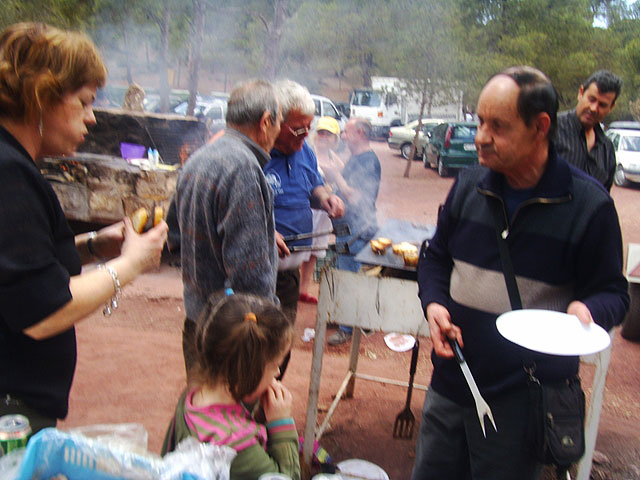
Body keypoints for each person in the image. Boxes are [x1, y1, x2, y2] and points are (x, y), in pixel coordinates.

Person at [411, 66, 629, 480]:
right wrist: (434, 304)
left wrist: (590, 307)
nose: (480, 136)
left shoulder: (588, 206)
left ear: (540, 126)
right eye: (479, 122)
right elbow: (436, 257)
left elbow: (615, 294)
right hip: (452, 381)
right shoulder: (468, 186)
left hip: (524, 396)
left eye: (498, 126)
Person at [0, 22, 168, 433]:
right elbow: (42, 311)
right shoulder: (9, 173)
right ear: (42, 97)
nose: (92, 118)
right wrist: (132, 264)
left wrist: (95, 245)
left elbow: (20, 271)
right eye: (84, 102)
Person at [173, 79, 282, 381]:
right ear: (265, 121)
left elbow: (174, 232)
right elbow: (251, 278)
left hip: (197, 322)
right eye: (278, 124)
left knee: (200, 417)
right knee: (234, 424)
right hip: (231, 336)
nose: (277, 133)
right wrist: (270, 335)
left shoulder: (199, 158)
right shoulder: (244, 169)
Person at [161, 291, 300, 480]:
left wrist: (260, 415)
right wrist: (280, 424)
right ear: (249, 372)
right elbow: (286, 477)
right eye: (275, 365)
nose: (277, 374)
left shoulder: (191, 397)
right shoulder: (237, 444)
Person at [264, 80, 344, 326]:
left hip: (289, 274)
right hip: (259, 275)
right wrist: (264, 232)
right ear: (275, 122)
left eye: (309, 127)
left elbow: (313, 185)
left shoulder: (304, 152)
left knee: (281, 345)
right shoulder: (258, 156)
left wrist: (325, 199)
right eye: (299, 128)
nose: (306, 135)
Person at [324, 118, 381, 346]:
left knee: (349, 277)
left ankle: (347, 328)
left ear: (359, 133)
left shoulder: (369, 161)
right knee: (345, 271)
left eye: (346, 132)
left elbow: (356, 196)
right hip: (347, 226)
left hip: (357, 228)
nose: (343, 136)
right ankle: (347, 318)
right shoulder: (357, 158)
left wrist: (334, 175)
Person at [299, 116, 345, 304]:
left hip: (324, 212)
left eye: (328, 134)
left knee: (315, 250)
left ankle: (303, 289)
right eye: (321, 132)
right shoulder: (307, 153)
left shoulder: (337, 160)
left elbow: (339, 182)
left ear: (335, 139)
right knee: (300, 247)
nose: (323, 136)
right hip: (307, 208)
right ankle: (293, 287)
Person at [555, 70, 622, 191]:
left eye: (602, 105)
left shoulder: (607, 150)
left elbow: (603, 198)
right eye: (591, 99)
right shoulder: (551, 129)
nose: (593, 108)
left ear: (611, 107)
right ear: (581, 93)